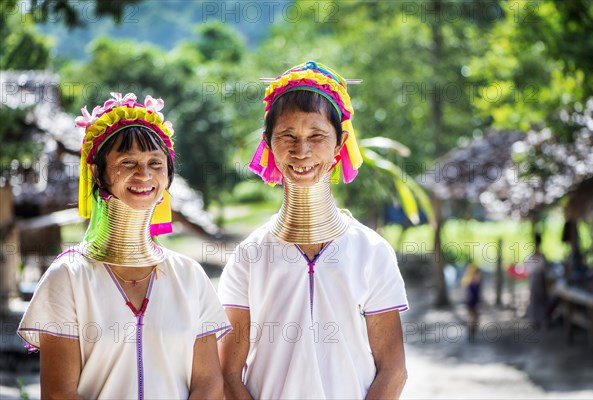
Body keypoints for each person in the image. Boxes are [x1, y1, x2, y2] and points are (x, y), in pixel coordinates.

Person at [17, 92, 230, 398]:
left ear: (168, 176)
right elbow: (58, 394)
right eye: (127, 162)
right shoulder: (68, 277)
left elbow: (208, 384)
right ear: (97, 173)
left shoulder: (189, 276)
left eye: (155, 163)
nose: (143, 174)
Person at [218, 61, 409, 399]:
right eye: (287, 135)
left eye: (317, 136)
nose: (301, 150)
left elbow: (393, 370)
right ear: (268, 143)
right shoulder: (249, 255)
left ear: (339, 144)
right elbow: (228, 374)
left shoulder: (371, 251)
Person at [524, 232, 548, 328]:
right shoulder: (537, 256)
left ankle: (538, 320)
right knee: (536, 300)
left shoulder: (538, 255)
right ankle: (536, 321)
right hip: (536, 277)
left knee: (537, 300)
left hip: (537, 278)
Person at [462, 263, 482, 342]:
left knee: (475, 320)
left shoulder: (477, 283)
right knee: (473, 319)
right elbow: (468, 294)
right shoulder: (470, 283)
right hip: (470, 304)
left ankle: (472, 335)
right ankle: (470, 336)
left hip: (474, 304)